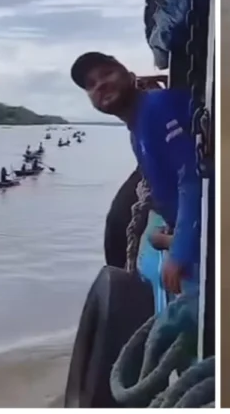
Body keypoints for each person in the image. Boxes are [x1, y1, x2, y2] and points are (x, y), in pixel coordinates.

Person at [72, 51, 202, 295]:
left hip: (216, 228)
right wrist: (173, 229)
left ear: (131, 76)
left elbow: (193, 176)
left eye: (107, 73)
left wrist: (179, 251)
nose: (100, 84)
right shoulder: (137, 130)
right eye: (90, 85)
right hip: (195, 229)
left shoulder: (157, 108)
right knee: (152, 238)